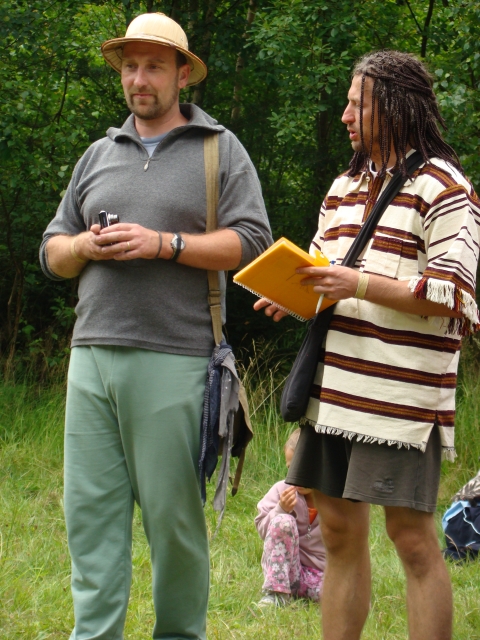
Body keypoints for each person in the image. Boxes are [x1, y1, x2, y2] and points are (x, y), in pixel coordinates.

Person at [39, 12, 272, 640]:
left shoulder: (219, 148)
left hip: (177, 355)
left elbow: (253, 241)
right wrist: (84, 246)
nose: (139, 80)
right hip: (91, 356)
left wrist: (165, 243)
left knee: (173, 524)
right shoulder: (98, 154)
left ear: (182, 75)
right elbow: (52, 251)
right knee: (90, 519)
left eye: (154, 67)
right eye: (130, 67)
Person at [255, 50, 480, 640]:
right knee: (336, 532)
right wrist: (293, 291)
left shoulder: (446, 188)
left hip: (400, 400)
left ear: (397, 107)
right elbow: (322, 271)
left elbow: (453, 294)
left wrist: (353, 283)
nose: (346, 115)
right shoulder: (342, 188)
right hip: (333, 392)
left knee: (411, 539)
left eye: (358, 104)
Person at [255, 428, 326, 607]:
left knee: (343, 596)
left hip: (321, 575)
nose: (297, 477)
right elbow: (263, 530)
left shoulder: (333, 500)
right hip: (287, 572)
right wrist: (280, 509)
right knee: (282, 521)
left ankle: (301, 597)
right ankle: (276, 593)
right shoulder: (281, 490)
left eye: (304, 469)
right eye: (291, 469)